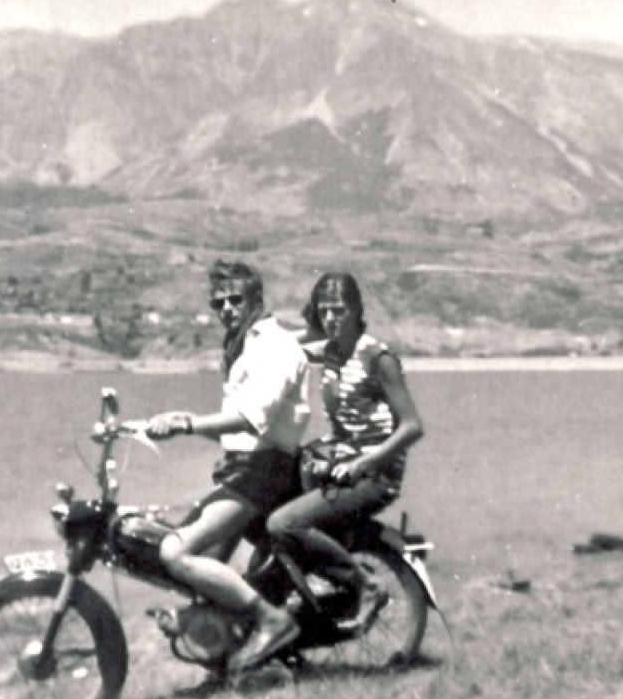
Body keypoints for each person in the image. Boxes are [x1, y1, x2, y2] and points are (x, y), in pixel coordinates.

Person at [145, 259, 310, 673]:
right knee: (199, 573)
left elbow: (252, 418)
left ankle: (274, 620)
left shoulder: (275, 346)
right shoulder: (241, 345)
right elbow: (230, 430)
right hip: (242, 469)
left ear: (257, 298)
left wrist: (185, 423)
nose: (227, 309)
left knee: (176, 552)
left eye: (236, 299)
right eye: (219, 303)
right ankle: (226, 661)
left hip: (265, 471)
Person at [265, 272, 424, 621]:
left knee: (283, 524)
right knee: (266, 488)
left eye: (339, 310)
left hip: (374, 474)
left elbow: (413, 427)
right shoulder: (334, 352)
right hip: (339, 462)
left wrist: (366, 462)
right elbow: (289, 349)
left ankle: (366, 586)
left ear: (356, 310)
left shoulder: (377, 359)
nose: (332, 318)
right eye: (324, 311)